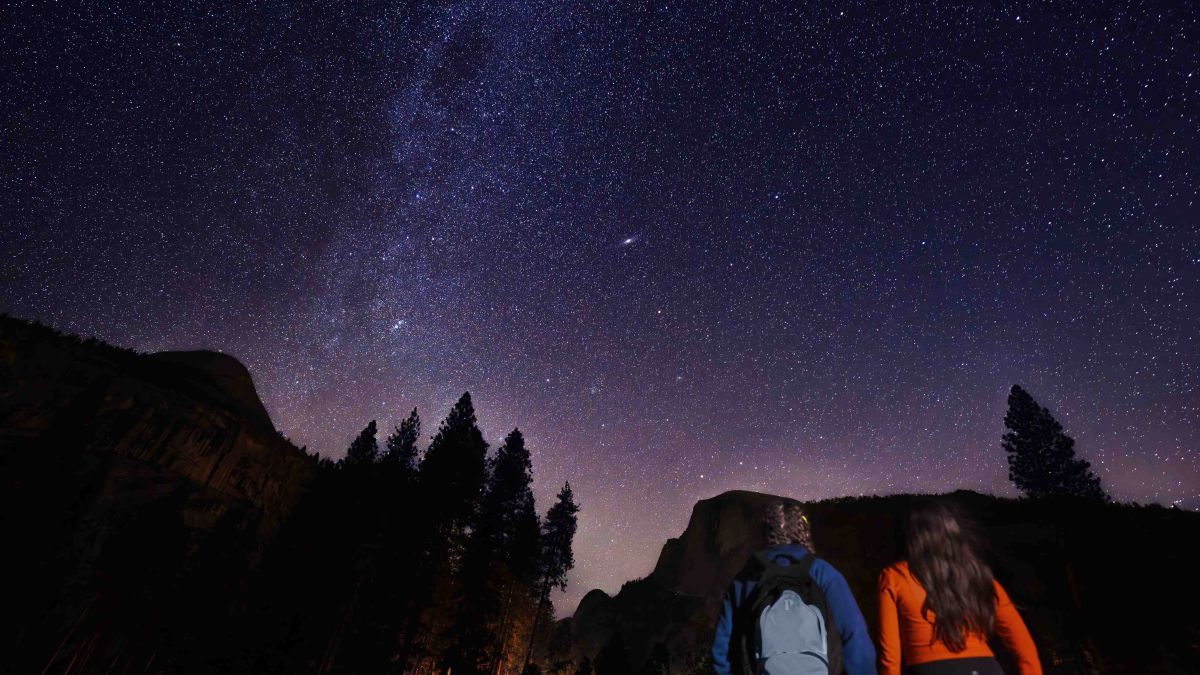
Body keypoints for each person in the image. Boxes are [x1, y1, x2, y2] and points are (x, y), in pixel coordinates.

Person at [877, 500, 1042, 675]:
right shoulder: (978, 577)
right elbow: (1025, 649)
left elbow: (890, 657)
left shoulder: (894, 576)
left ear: (910, 535)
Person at [712, 501, 877, 675]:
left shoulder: (745, 580)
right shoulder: (824, 574)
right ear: (802, 530)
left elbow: (722, 651)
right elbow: (856, 637)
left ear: (764, 531)